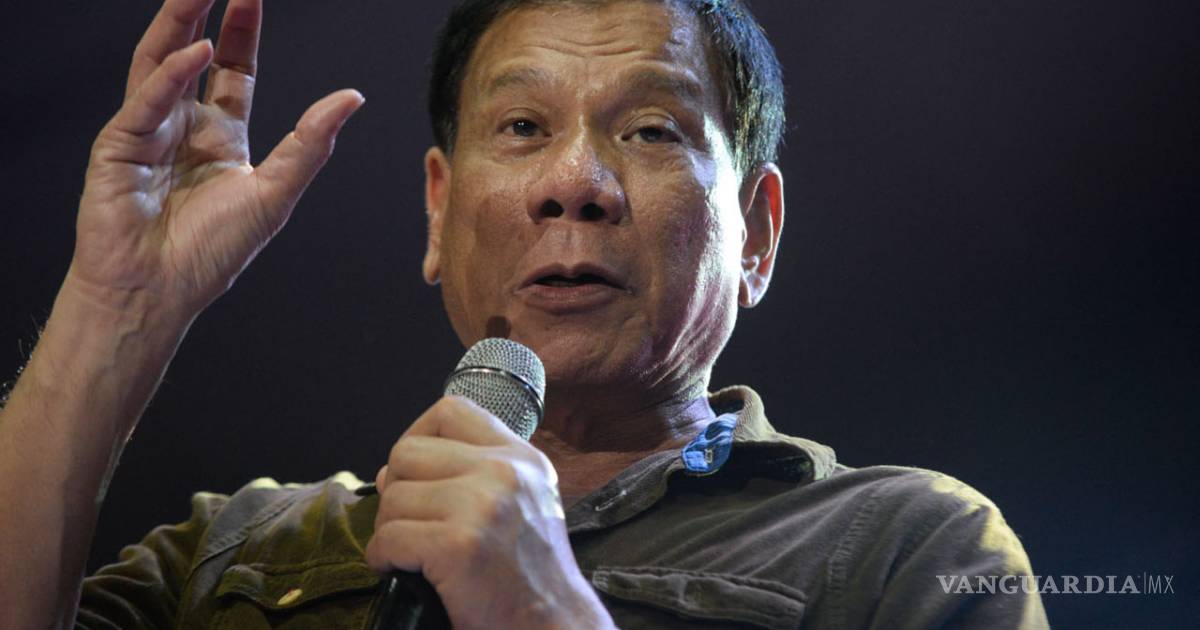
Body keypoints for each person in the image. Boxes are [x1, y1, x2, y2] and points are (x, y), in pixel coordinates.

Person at [0, 0, 1049, 627]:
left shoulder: (904, 549)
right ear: (439, 209)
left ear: (757, 235)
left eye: (650, 129)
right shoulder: (235, 553)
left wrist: (541, 612)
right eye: (520, 126)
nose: (573, 183)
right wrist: (114, 307)